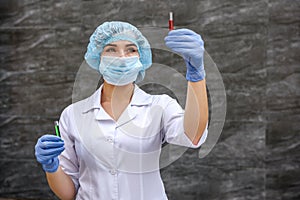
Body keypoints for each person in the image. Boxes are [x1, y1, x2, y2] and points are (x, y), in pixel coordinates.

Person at [35, 21, 209, 200]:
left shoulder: (160, 106)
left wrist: (196, 74)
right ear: (98, 57)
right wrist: (52, 167)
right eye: (111, 49)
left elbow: (194, 135)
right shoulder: (73, 115)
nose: (122, 56)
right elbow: (68, 194)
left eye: (131, 50)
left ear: (141, 58)